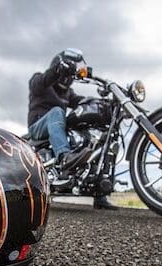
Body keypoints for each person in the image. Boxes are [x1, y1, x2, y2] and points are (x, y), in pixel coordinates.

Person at [27, 48, 117, 210]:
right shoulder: (40, 81)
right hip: (38, 127)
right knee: (57, 111)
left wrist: (107, 102)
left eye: (70, 75)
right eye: (67, 73)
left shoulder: (68, 93)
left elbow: (81, 101)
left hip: (57, 128)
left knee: (90, 134)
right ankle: (64, 155)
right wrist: (57, 70)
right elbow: (42, 81)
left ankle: (99, 192)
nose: (68, 78)